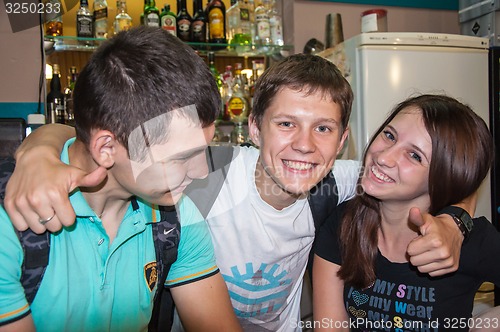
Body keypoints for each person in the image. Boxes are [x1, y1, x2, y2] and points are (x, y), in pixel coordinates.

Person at [5, 56, 472, 330]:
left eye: (323, 129)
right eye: (286, 124)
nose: (305, 146)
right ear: (252, 128)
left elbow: (447, 173)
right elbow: (117, 145)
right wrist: (40, 150)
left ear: (343, 141)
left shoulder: (338, 180)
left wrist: (457, 220)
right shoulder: (203, 176)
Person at [0, 27, 241, 331]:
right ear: (107, 148)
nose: (201, 172)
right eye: (180, 157)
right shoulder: (12, 224)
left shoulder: (176, 219)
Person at [312, 94, 498, 331]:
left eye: (414, 155)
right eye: (389, 135)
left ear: (443, 177)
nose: (383, 157)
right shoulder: (342, 224)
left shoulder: (472, 241)